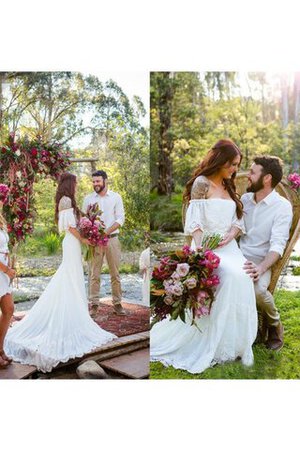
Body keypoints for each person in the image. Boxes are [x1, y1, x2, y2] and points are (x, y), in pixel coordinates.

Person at [150, 139, 258, 374]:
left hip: (230, 248)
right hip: (208, 247)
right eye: (232, 164)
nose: (235, 170)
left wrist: (231, 234)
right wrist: (201, 251)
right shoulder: (202, 183)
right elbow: (195, 219)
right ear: (221, 161)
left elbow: (238, 220)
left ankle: (237, 344)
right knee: (230, 276)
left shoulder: (229, 186)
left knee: (244, 276)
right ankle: (212, 342)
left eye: (237, 165)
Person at [4, 173, 116, 373]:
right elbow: (69, 226)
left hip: (74, 243)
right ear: (69, 184)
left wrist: (89, 230)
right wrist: (84, 239)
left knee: (73, 277)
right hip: (71, 243)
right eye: (76, 182)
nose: (78, 184)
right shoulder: (65, 200)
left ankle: (74, 309)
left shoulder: (69, 200)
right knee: (69, 276)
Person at [240, 156, 293, 351]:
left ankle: (274, 325)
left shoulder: (282, 207)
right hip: (238, 257)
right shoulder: (245, 200)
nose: (248, 176)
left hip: (262, 261)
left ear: (267, 178)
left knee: (258, 290)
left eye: (252, 172)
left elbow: (277, 245)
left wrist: (260, 268)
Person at [82, 170, 125, 317]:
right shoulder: (88, 199)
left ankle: (117, 303)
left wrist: (104, 233)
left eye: (98, 181)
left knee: (115, 273)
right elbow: (84, 220)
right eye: (93, 182)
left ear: (105, 181)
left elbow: (120, 220)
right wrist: (90, 234)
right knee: (94, 274)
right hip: (94, 241)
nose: (95, 184)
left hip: (112, 239)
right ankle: (94, 304)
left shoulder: (116, 197)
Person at [0, 185, 16, 369]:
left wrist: (9, 267)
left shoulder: (1, 220)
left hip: (3, 272)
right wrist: (5, 269)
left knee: (9, 310)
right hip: (0, 270)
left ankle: (0, 349)